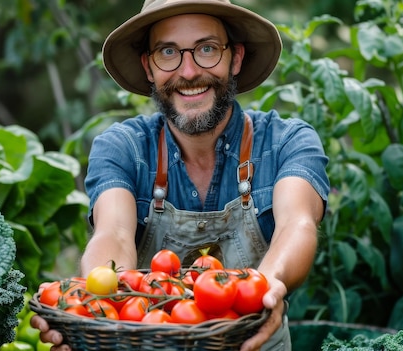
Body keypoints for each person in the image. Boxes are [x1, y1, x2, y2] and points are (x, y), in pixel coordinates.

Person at [32, 0, 330, 350]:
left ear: (235, 57)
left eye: (206, 49)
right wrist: (98, 304)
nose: (188, 72)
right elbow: (113, 233)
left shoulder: (287, 142)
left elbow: (297, 224)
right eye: (168, 52)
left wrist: (265, 289)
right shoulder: (123, 148)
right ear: (148, 67)